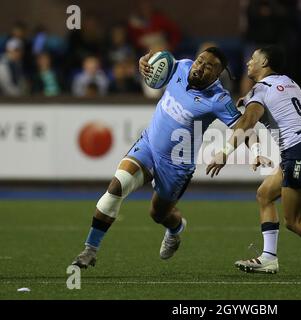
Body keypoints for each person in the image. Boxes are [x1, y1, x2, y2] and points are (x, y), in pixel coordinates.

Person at [71, 47, 269, 268]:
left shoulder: (218, 99)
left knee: (157, 214)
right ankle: (90, 249)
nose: (200, 67)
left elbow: (245, 127)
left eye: (209, 66)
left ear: (217, 75)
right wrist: (144, 63)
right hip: (148, 146)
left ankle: (176, 229)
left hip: (176, 167)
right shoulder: (182, 66)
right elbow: (157, 65)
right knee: (117, 187)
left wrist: (257, 152)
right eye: (200, 61)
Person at [207, 46, 301, 279]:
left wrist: (225, 151)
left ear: (265, 62)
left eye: (253, 58)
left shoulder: (260, 89)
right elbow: (268, 104)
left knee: (294, 221)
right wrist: (250, 102)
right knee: (264, 194)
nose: (248, 62)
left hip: (300, 152)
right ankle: (269, 257)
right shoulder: (288, 82)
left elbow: (249, 121)